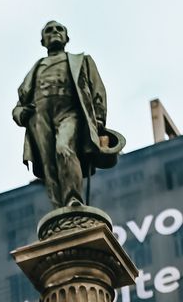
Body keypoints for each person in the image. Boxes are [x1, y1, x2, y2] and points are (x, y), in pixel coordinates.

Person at [12, 20, 126, 211]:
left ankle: (73, 199)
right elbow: (19, 106)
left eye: (59, 29)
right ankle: (59, 208)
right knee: (49, 164)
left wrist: (98, 119)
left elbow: (97, 89)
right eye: (49, 30)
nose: (54, 32)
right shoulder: (36, 69)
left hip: (70, 112)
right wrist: (21, 114)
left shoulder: (81, 60)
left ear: (67, 37)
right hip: (39, 116)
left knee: (63, 149)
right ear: (43, 41)